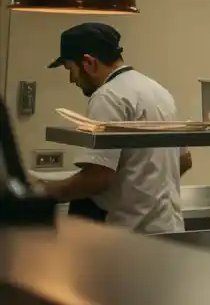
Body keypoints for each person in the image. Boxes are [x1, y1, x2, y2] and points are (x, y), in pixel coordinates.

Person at [33, 23, 191, 234]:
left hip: (131, 234)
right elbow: (184, 160)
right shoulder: (158, 91)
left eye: (70, 69)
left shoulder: (108, 96)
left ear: (88, 62)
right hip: (169, 229)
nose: (72, 79)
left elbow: (98, 178)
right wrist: (145, 186)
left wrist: (44, 193)